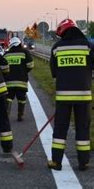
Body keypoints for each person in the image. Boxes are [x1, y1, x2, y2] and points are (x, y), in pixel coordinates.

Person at [48, 19, 93, 171]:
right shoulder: (88, 46)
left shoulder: (57, 48)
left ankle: (56, 161)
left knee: (60, 129)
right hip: (84, 97)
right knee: (82, 128)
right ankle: (84, 162)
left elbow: (53, 73)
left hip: (63, 97)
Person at [3, 36, 34, 121]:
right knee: (22, 99)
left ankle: (6, 115)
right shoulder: (25, 52)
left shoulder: (6, 54)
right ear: (19, 43)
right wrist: (24, 71)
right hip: (22, 81)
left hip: (9, 82)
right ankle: (20, 115)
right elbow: (30, 65)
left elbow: (2, 68)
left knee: (8, 97)